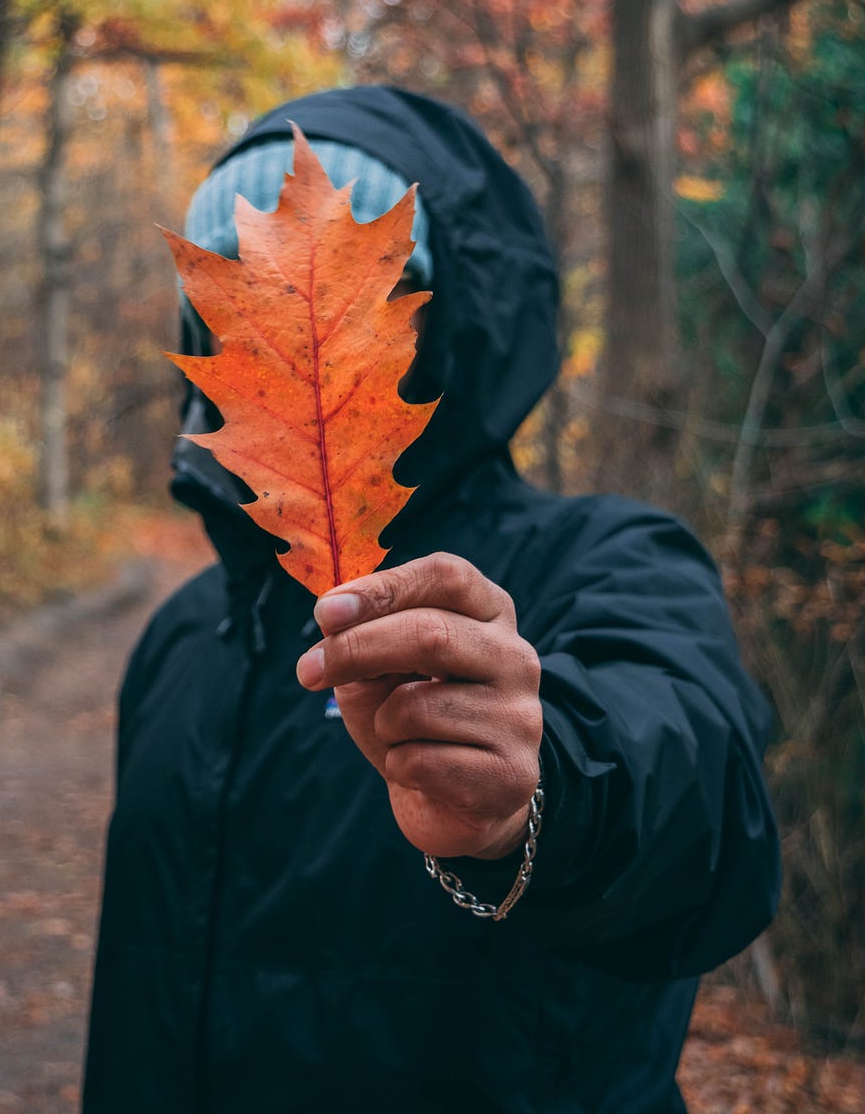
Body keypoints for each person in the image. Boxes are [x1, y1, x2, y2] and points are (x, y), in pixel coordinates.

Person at [82, 85, 780, 1114]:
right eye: (238, 309)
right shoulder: (185, 635)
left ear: (454, 324)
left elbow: (695, 792)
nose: (290, 341)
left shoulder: (604, 563)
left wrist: (543, 793)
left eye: (375, 301)